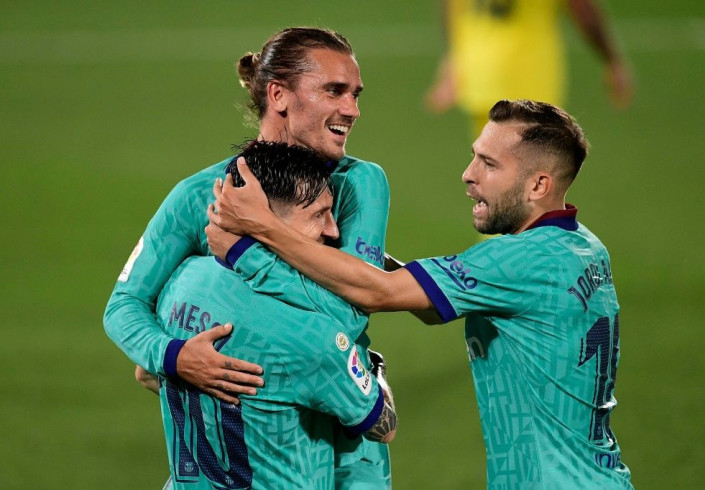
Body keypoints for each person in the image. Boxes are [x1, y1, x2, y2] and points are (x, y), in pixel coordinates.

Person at [206, 99, 633, 488]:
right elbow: (427, 304)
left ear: (538, 186)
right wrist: (351, 251)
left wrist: (260, 234)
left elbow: (379, 293)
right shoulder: (582, 247)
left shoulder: (520, 262)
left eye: (488, 163)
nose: (468, 174)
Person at [103, 27, 392, 487]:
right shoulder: (199, 195)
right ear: (278, 94)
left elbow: (351, 310)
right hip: (246, 437)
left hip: (346, 442)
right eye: (334, 91)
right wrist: (173, 355)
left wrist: (252, 242)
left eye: (355, 94)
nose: (352, 110)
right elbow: (124, 306)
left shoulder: (360, 184)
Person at [136, 141, 397, 489]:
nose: (334, 231)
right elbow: (382, 424)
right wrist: (374, 369)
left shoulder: (180, 283)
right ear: (268, 222)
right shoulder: (313, 336)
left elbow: (144, 373)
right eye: (319, 214)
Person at [425, 0, 635, 138]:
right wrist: (612, 59)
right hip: (528, 78)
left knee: (495, 184)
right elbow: (582, 9)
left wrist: (453, 58)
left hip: (479, 75)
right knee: (532, 190)